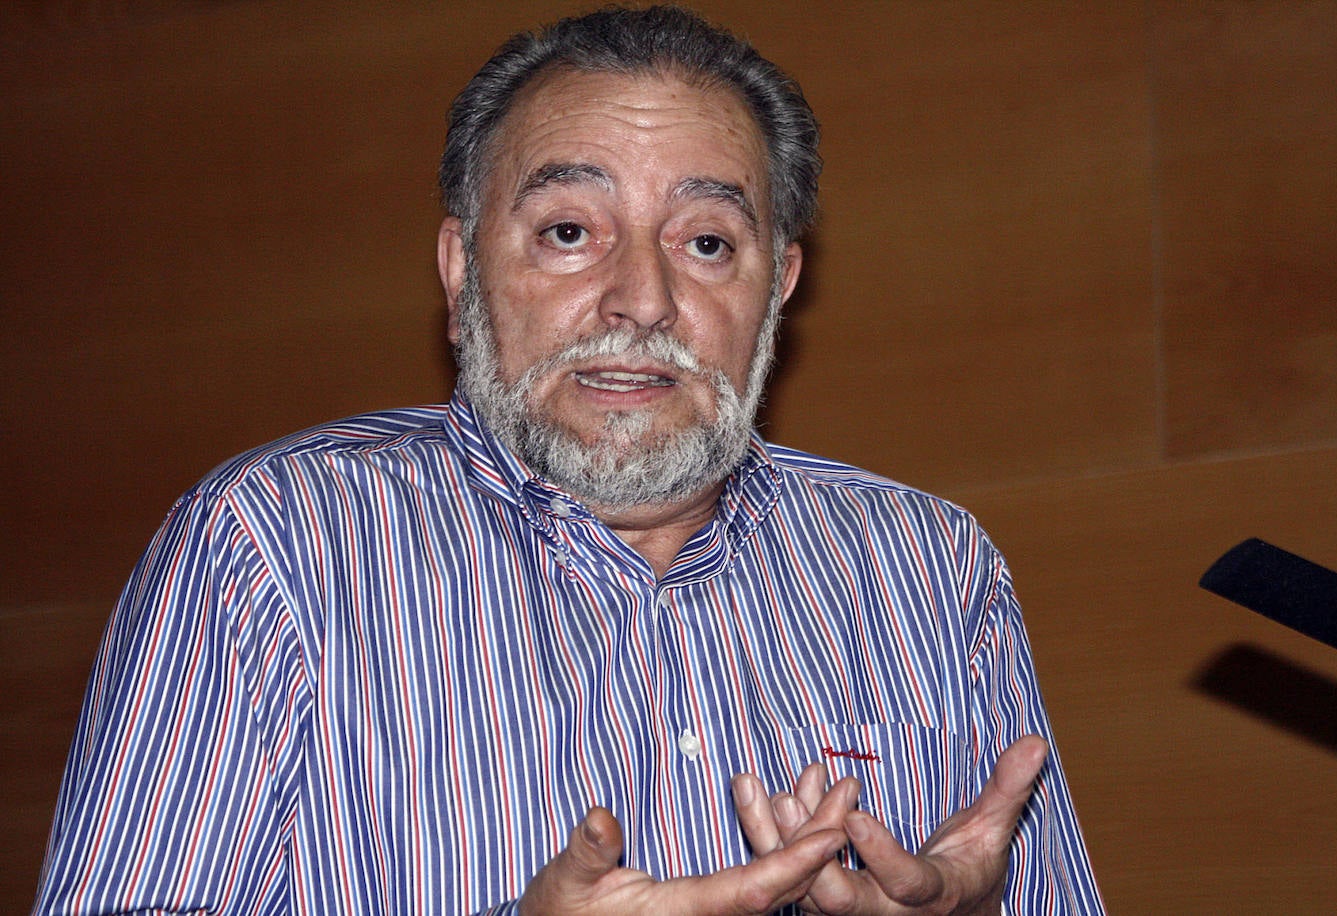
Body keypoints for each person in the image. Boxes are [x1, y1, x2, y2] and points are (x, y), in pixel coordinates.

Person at [34, 6, 1104, 914]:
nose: (644, 301)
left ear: (776, 285)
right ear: (461, 270)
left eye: (705, 242)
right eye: (568, 231)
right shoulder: (272, 546)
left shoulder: (932, 567)